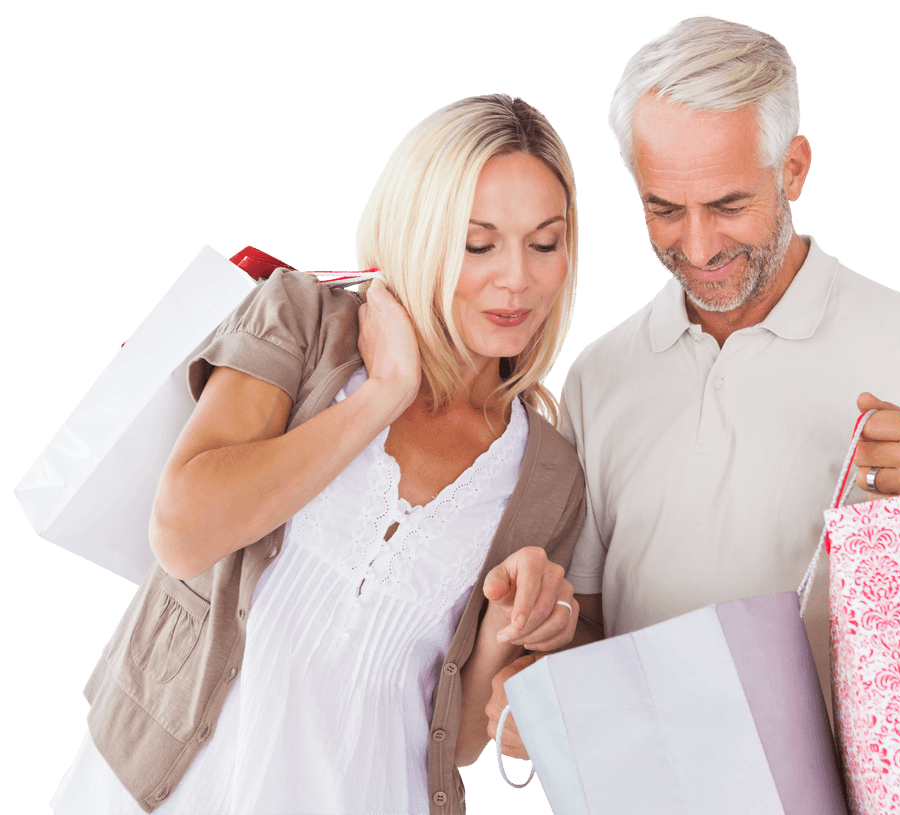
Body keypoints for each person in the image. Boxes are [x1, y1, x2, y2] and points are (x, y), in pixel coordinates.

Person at [488, 16, 900, 758]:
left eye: (728, 205)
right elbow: (593, 631)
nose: (698, 246)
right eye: (664, 209)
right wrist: (537, 694)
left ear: (793, 169)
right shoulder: (600, 376)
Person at [50, 93, 585, 815]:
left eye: (544, 243)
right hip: (173, 791)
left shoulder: (549, 473)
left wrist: (502, 631)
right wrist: (382, 396)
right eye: (477, 243)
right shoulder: (305, 319)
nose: (517, 278)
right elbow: (183, 532)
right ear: (418, 233)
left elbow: (455, 740)